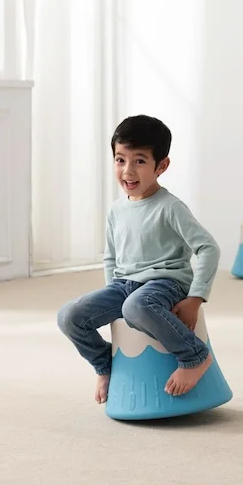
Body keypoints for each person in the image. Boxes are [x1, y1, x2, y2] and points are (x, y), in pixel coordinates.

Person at [57, 114, 220, 404]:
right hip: (124, 286)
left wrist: (196, 297)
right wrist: (111, 296)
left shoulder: (170, 207)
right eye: (121, 160)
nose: (128, 171)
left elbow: (208, 247)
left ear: (162, 166)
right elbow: (112, 258)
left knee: (136, 306)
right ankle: (105, 365)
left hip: (166, 283)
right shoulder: (116, 210)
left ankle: (194, 356)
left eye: (140, 161)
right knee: (70, 316)